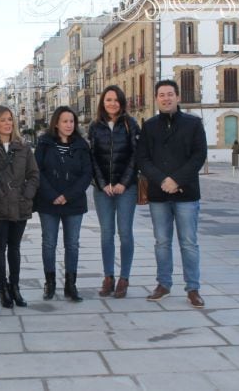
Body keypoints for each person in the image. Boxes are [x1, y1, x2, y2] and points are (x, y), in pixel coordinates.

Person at [136, 79, 208, 309]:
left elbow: (199, 155)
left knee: (188, 242)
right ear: (156, 99)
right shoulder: (149, 126)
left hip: (186, 193)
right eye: (161, 95)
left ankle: (193, 288)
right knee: (162, 242)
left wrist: (176, 180)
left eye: (170, 94)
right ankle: (163, 284)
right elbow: (142, 159)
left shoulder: (193, 124)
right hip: (159, 194)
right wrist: (162, 180)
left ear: (178, 97)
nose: (166, 98)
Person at [0, 106, 39, 308]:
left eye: (10, 119)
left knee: (15, 247)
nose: (7, 123)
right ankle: (3, 287)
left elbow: (33, 174)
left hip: (20, 205)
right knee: (0, 246)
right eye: (3, 120)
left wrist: (27, 194)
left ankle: (15, 287)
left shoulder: (23, 146)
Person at [35, 106, 92, 302]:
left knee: (72, 244)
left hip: (73, 203)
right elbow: (37, 172)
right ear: (56, 123)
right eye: (65, 121)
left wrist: (68, 196)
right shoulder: (44, 144)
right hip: (48, 202)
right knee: (49, 243)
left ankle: (71, 285)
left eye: (71, 121)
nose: (69, 125)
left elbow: (86, 174)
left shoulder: (82, 145)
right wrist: (52, 195)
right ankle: (50, 283)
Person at [88, 85, 140, 299]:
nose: (112, 103)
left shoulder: (130, 124)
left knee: (125, 233)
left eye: (116, 100)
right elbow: (91, 158)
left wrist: (123, 183)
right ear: (103, 102)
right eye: (108, 99)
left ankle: (124, 278)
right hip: (103, 190)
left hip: (126, 189)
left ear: (121, 102)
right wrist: (102, 184)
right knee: (106, 235)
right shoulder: (94, 127)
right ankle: (108, 277)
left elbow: (136, 156)